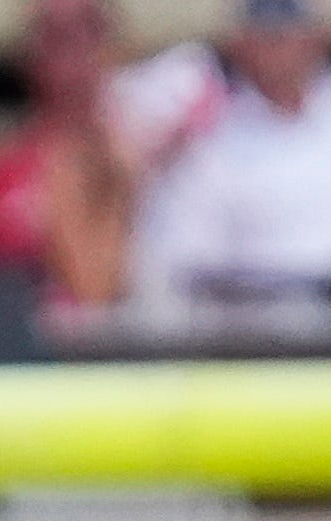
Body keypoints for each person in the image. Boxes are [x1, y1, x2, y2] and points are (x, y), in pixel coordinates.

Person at [132, 0, 331, 311]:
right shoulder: (207, 113)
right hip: (251, 319)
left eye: (288, 32)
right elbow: (183, 260)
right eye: (265, 34)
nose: (277, 47)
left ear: (317, 37)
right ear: (239, 41)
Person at [0, 0, 141, 305]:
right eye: (60, 40)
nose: (77, 58)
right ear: (29, 57)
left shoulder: (153, 158)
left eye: (90, 36)